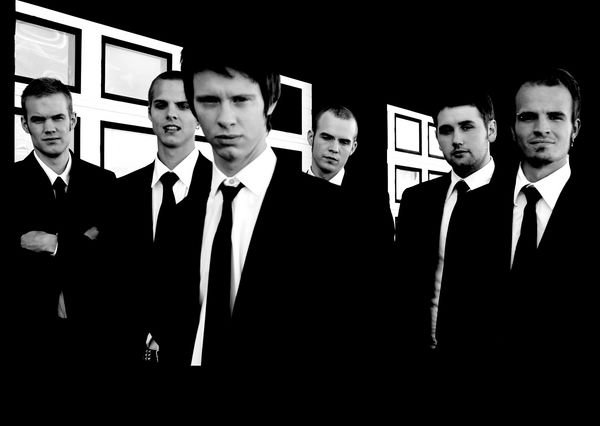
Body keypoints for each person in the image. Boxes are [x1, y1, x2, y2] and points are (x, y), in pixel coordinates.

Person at [146, 47, 363, 389]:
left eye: (241, 100)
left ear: (270, 102)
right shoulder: (179, 216)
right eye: (209, 101)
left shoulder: (336, 214)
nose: (225, 118)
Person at [440, 67, 597, 382]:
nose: (541, 128)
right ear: (511, 128)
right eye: (528, 117)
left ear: (575, 128)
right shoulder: (471, 208)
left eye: (555, 116)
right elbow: (453, 322)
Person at [6, 77, 116, 370]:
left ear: (73, 120)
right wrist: (83, 242)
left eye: (58, 117)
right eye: (38, 120)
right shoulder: (6, 185)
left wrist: (54, 244)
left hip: (95, 337)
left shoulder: (105, 183)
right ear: (25, 124)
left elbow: (112, 258)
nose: (50, 128)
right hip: (24, 338)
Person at [103, 70, 206, 366]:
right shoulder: (121, 192)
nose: (171, 114)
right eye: (161, 105)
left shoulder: (227, 190)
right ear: (149, 113)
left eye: (183, 106)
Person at [394, 84, 498, 371]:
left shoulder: (516, 198)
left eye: (467, 127)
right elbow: (402, 283)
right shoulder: (416, 200)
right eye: (446, 130)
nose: (456, 140)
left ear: (491, 130)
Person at [307, 103, 395, 353]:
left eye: (344, 142)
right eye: (326, 137)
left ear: (354, 147)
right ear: (311, 137)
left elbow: (382, 278)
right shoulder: (282, 194)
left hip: (350, 338)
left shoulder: (373, 203)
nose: (334, 148)